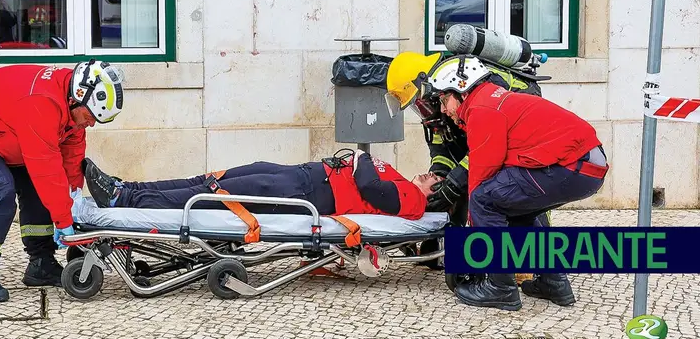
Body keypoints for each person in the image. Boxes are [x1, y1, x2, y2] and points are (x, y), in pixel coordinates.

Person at [422, 55, 608, 311]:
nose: (443, 110)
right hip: (588, 166)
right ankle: (554, 283)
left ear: (462, 88)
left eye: (444, 100)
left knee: (483, 199)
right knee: (516, 210)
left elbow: (481, 178)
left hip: (571, 164)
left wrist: (475, 254)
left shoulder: (482, 108)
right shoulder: (492, 98)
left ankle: (500, 288)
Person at [0, 59, 125, 303]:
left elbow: (72, 158)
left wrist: (73, 200)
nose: (92, 123)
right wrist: (62, 219)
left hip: (3, 126)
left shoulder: (73, 103)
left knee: (36, 188)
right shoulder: (42, 103)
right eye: (90, 116)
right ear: (76, 99)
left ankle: (41, 264)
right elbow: (46, 168)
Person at [385, 50, 551, 282]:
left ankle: (539, 262)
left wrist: (454, 182)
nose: (422, 111)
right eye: (416, 107)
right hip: (481, 134)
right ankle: (450, 246)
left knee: (516, 190)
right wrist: (442, 178)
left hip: (519, 132)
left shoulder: (472, 80)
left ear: (427, 83)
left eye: (419, 102)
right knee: (455, 184)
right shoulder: (441, 109)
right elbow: (443, 152)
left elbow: (486, 146)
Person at [82, 150, 442, 220]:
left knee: (212, 196)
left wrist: (361, 156)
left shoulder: (413, 200)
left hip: (302, 193)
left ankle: (121, 201)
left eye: (435, 181)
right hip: (299, 174)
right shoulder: (400, 176)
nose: (430, 175)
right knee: (210, 180)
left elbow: (368, 187)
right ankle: (126, 188)